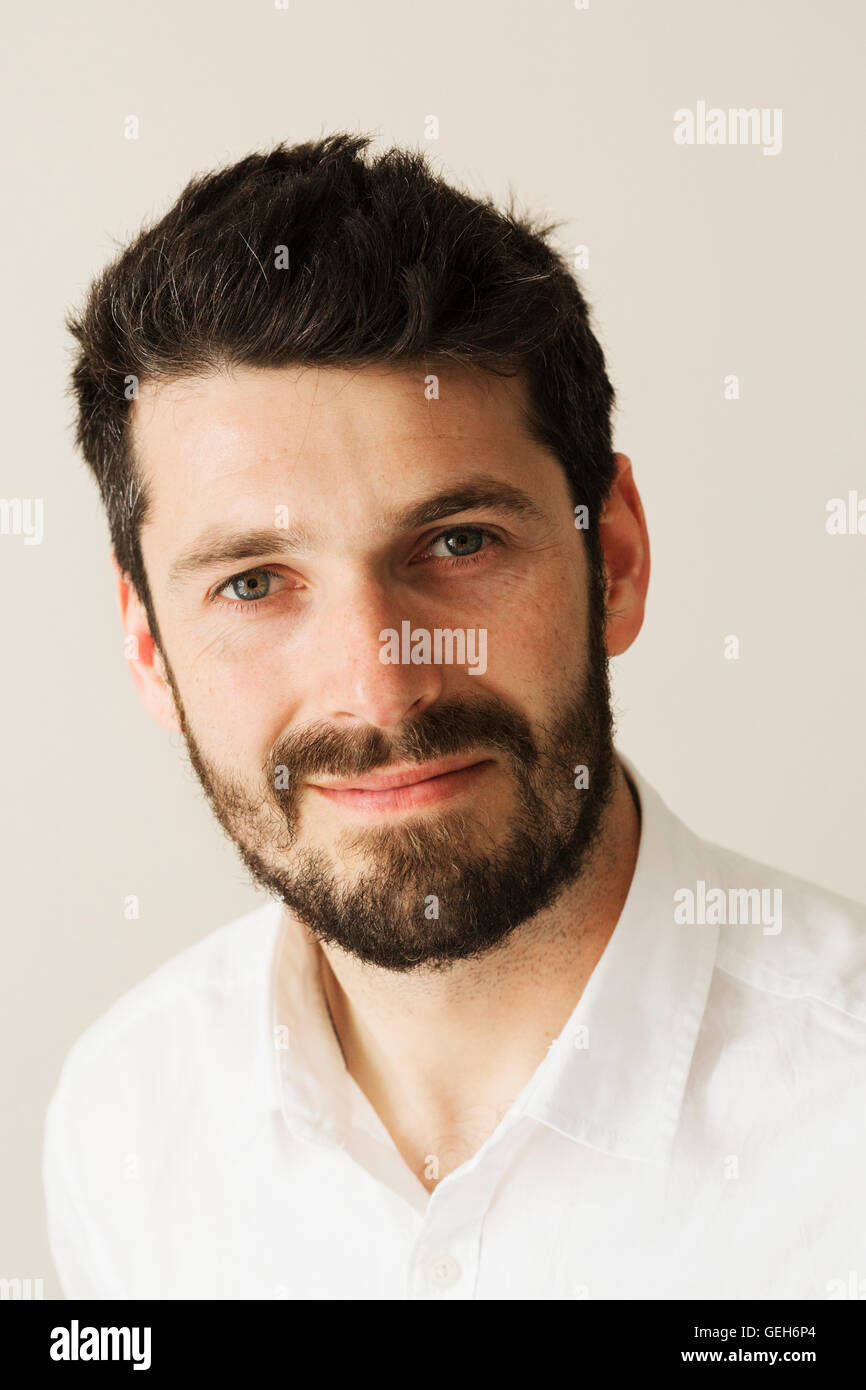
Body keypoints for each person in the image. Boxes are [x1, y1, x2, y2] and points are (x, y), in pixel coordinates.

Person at [43, 133, 866, 1300]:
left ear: (614, 557)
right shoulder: (123, 1120)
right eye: (251, 582)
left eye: (457, 543)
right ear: (149, 650)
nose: (380, 688)